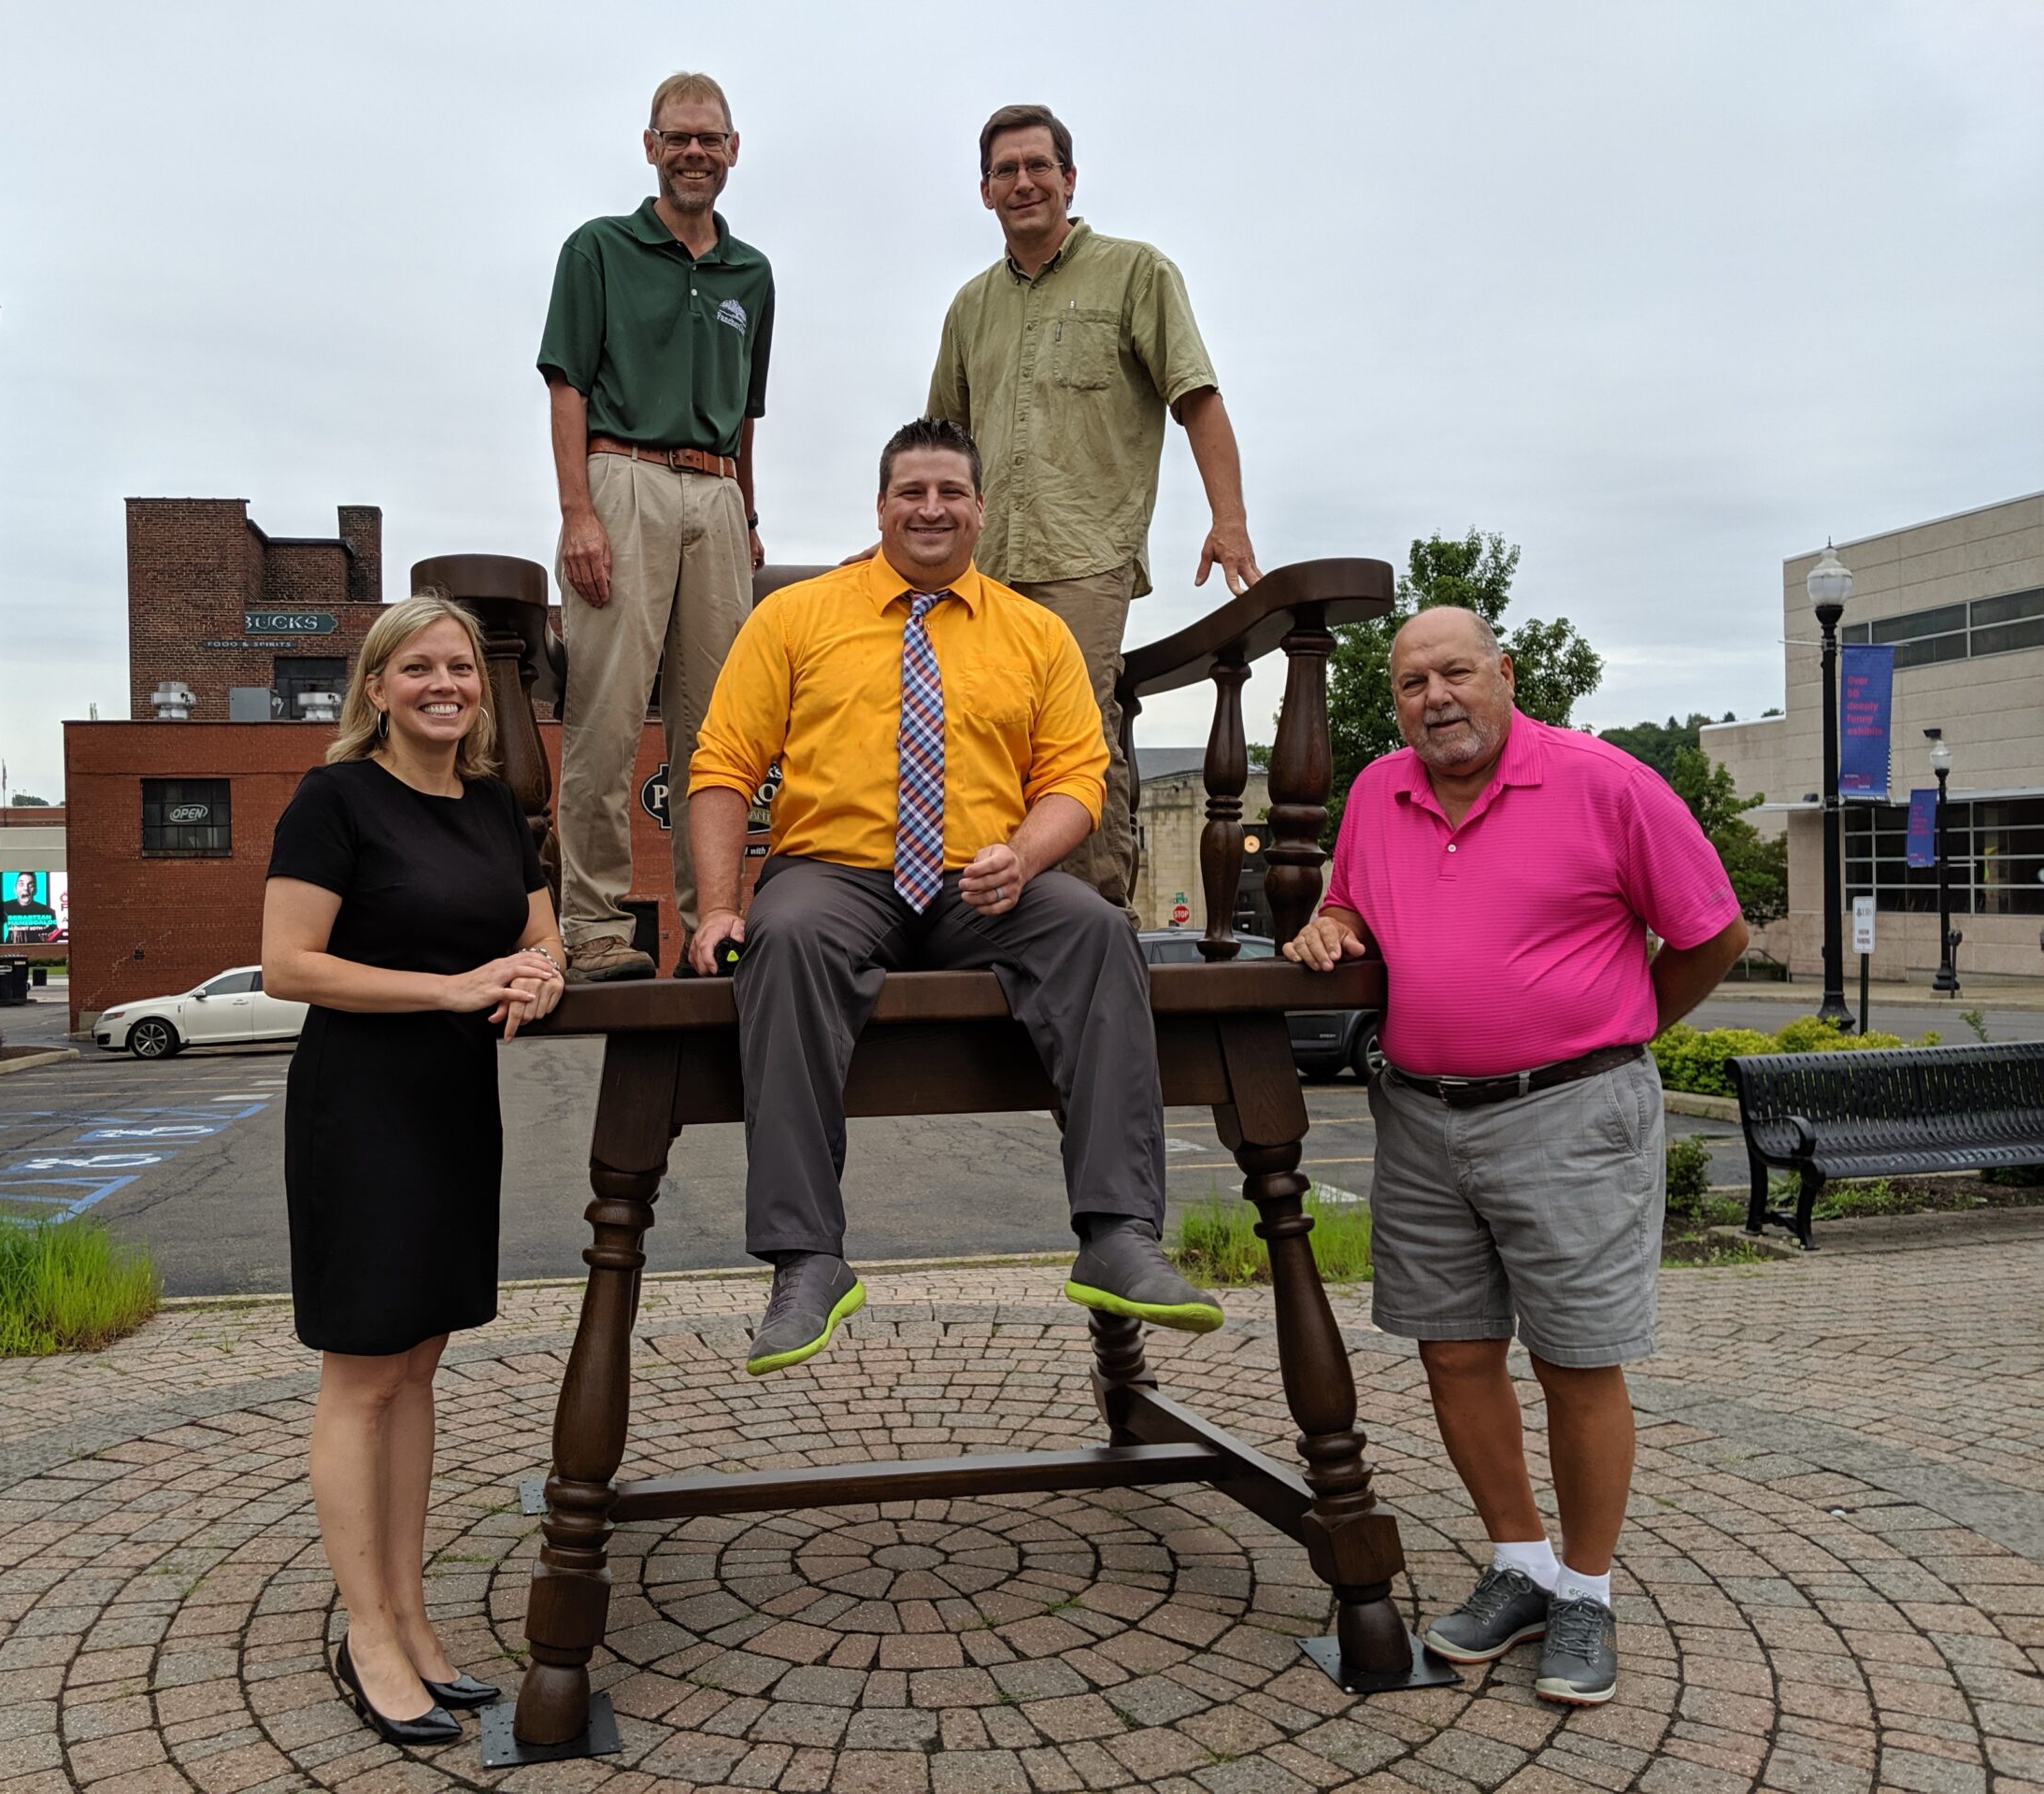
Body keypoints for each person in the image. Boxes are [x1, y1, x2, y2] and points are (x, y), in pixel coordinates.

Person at [689, 418, 1222, 1375]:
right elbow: (724, 765)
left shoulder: (1034, 634)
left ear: (980, 509)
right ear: (882, 506)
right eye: (910, 492)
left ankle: (1117, 1233)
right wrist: (719, 905)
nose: (929, 508)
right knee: (787, 936)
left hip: (987, 876)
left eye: (949, 492)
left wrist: (1024, 855)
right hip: (837, 873)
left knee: (1098, 931)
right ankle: (806, 1258)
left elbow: (1075, 778)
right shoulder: (795, 618)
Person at [1283, 606, 1747, 1707]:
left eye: (1453, 672)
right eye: (1409, 682)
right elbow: (1352, 898)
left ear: (1504, 674)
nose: (1433, 696)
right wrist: (1330, 922)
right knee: (1452, 1351)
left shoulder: (1606, 784)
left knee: (1577, 1359)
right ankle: (1520, 1563)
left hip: (1570, 1113)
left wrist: (1617, 1032)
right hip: (1421, 1116)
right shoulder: (1372, 793)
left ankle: (1586, 1591)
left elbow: (1713, 933)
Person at [261, 592, 565, 1744]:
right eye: (420, 669)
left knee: (420, 1371)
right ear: (377, 688)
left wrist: (544, 975)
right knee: (363, 1378)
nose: (447, 685)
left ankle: (410, 1615)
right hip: (362, 1104)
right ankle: (366, 1634)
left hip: (453, 1104)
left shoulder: (493, 804)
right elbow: (286, 966)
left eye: (463, 670)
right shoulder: (333, 799)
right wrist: (449, 990)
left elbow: (540, 936)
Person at [923, 102, 1263, 915]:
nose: (1023, 182)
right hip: (982, 563)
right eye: (1005, 171)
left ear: (1069, 179)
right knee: (978, 733)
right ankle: (990, 918)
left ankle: (1096, 918)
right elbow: (941, 439)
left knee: (1077, 734)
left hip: (1085, 555)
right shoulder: (970, 307)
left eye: (1038, 166)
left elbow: (1197, 397)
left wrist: (1230, 519)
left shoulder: (1137, 271)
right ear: (984, 192)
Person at [538, 69, 775, 981]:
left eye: (708, 138)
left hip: (715, 494)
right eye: (677, 137)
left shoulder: (750, 273)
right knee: (603, 708)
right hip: (620, 477)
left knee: (719, 726)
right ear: (649, 147)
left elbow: (747, 412)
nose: (693, 153)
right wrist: (577, 513)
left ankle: (711, 922)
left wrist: (746, 513)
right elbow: (567, 383)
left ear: (732, 150)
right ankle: (594, 926)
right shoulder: (598, 248)